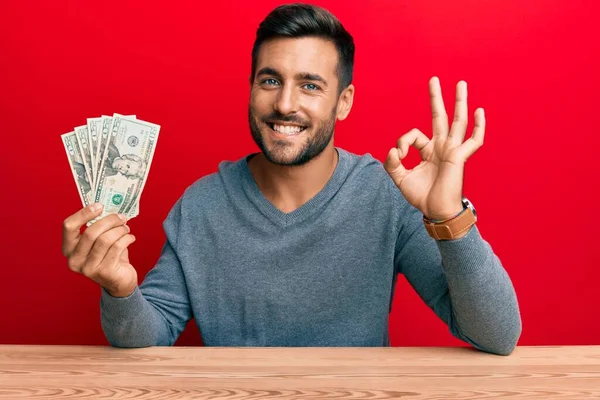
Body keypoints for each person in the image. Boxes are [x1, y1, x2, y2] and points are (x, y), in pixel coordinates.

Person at [62, 3, 521, 355]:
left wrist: (448, 217)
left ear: (344, 102)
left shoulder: (385, 196)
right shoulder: (201, 205)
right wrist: (121, 290)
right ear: (251, 89)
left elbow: (497, 335)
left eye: (310, 85)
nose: (285, 104)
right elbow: (151, 333)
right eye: (269, 81)